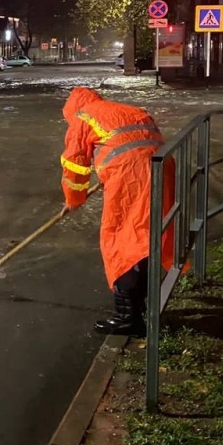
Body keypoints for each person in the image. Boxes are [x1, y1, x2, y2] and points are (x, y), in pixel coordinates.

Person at [60, 87, 175, 336]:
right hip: (162, 168)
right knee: (148, 235)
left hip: (130, 178)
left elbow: (75, 165)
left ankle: (127, 317)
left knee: (121, 240)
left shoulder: (83, 118)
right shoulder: (126, 110)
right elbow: (130, 144)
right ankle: (140, 306)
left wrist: (74, 199)